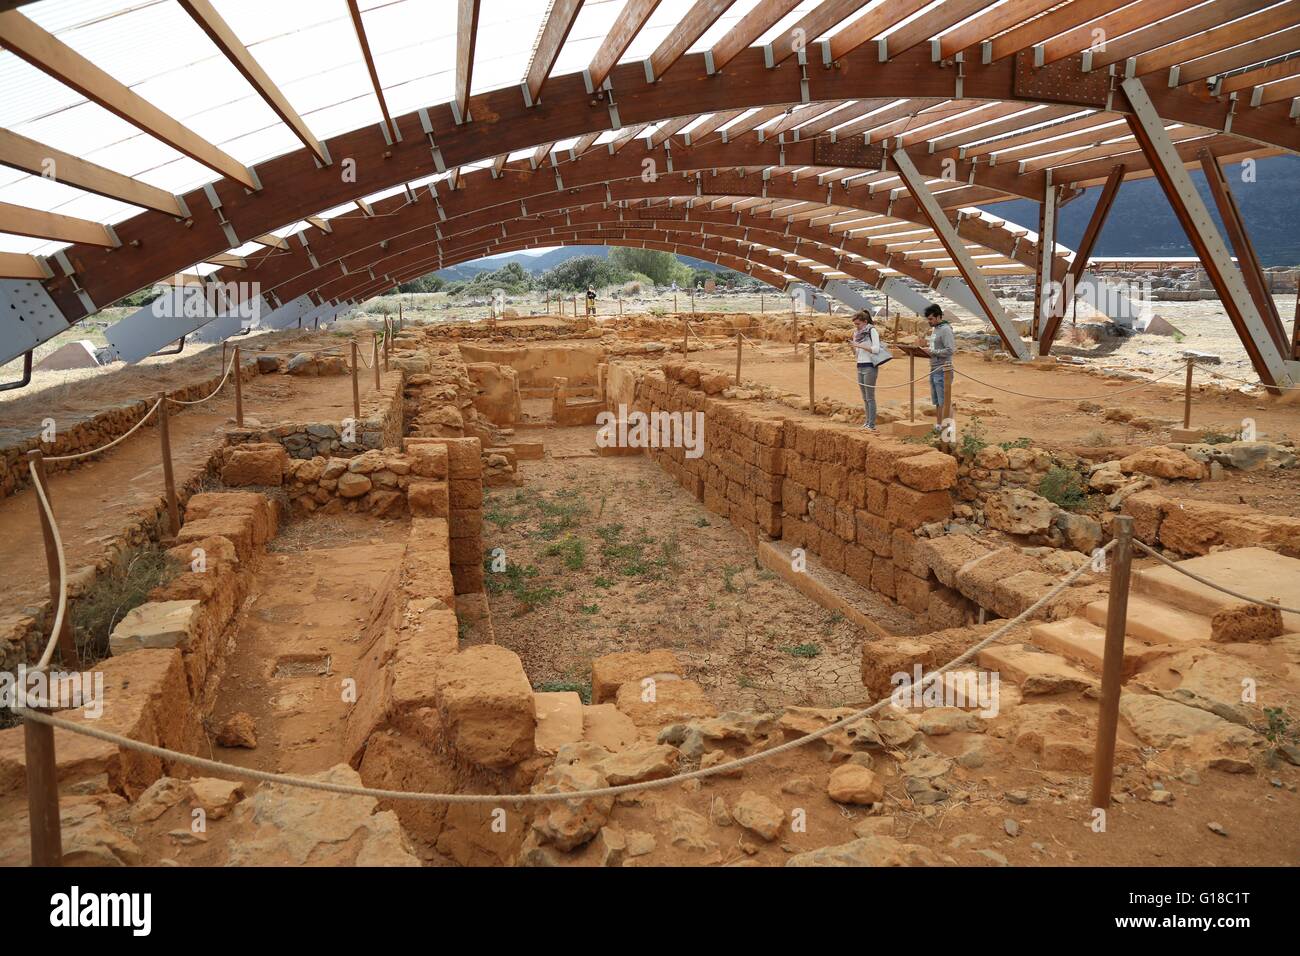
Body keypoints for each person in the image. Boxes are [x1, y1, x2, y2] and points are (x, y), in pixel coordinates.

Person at [851, 309, 883, 430]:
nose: (857, 326)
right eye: (855, 324)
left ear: (865, 321)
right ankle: (867, 422)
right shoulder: (856, 334)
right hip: (860, 365)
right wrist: (853, 347)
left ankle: (872, 424)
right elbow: (857, 353)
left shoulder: (872, 330)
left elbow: (875, 349)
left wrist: (859, 345)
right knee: (864, 397)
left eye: (858, 324)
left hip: (870, 366)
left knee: (870, 397)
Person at [924, 304, 954, 428]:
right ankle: (939, 425)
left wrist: (932, 352)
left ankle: (948, 429)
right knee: (937, 401)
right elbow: (935, 347)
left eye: (931, 319)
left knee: (944, 401)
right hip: (934, 367)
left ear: (938, 316)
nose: (929, 321)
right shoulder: (936, 329)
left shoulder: (946, 329)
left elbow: (950, 350)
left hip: (943, 369)